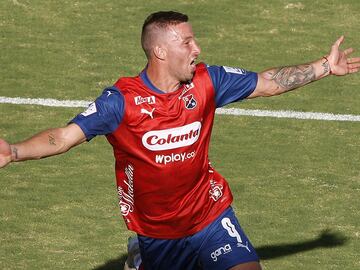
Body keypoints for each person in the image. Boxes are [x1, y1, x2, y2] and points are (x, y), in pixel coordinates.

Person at [0, 10, 359, 270]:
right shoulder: (121, 101)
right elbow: (62, 138)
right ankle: (140, 256)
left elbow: (267, 82)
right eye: (186, 42)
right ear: (160, 51)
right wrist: (15, 151)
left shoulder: (206, 81)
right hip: (159, 230)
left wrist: (325, 67)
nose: (197, 48)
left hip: (210, 213)